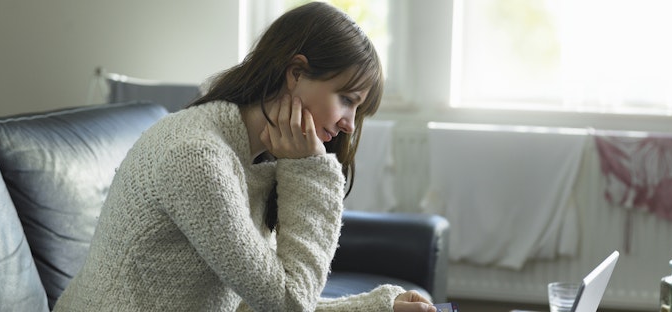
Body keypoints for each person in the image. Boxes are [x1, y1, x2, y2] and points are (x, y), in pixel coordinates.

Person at [53, 2, 436, 311]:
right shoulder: (196, 158)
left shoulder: (258, 158)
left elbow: (257, 300)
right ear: (296, 72)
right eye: (347, 100)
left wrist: (380, 308)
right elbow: (287, 305)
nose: (350, 125)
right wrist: (311, 171)